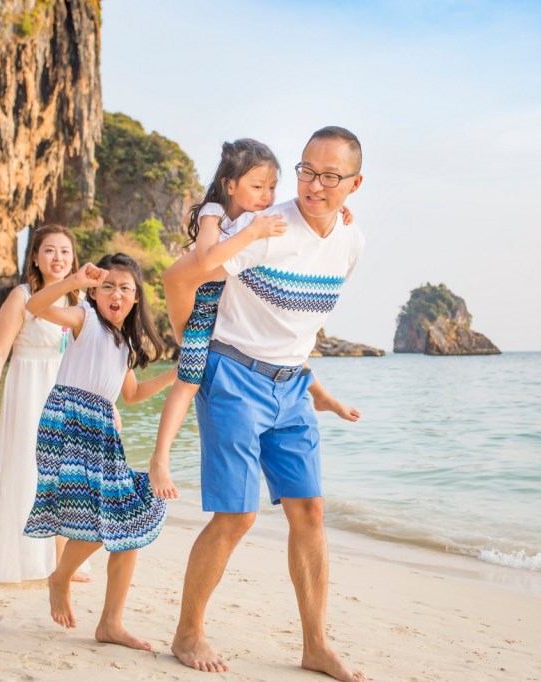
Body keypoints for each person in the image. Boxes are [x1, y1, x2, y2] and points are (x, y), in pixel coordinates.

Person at [161, 126, 367, 681]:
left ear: (354, 184)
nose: (314, 186)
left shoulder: (351, 241)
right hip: (234, 375)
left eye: (329, 177)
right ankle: (187, 632)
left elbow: (308, 320)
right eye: (306, 171)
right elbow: (184, 275)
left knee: (311, 511)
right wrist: (192, 347)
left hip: (293, 386)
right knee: (237, 515)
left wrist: (314, 386)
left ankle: (316, 645)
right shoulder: (265, 228)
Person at [151, 139, 359, 489]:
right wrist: (182, 332)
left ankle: (318, 393)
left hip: (238, 309)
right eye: (258, 187)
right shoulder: (214, 214)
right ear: (230, 186)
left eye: (273, 187)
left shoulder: (258, 217)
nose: (267, 196)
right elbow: (204, 262)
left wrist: (339, 213)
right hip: (206, 309)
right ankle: (159, 459)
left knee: (283, 336)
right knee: (187, 382)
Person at [22, 254, 176, 651]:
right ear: (95, 291)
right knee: (106, 517)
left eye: (125, 288)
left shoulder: (125, 343)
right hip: (69, 423)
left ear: (137, 298)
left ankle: (110, 622)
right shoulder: (83, 318)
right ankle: (61, 578)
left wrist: (177, 374)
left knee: (130, 520)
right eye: (108, 285)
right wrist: (74, 280)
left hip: (102, 430)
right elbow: (35, 306)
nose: (116, 294)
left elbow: (132, 394)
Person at [0, 224, 90, 583]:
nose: (58, 258)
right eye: (50, 251)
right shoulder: (20, 296)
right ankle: (22, 558)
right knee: (28, 470)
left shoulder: (78, 301)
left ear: (74, 259)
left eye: (66, 252)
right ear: (36, 258)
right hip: (28, 390)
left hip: (66, 393)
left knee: (67, 476)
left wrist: (108, 405)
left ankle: (63, 563)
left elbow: (88, 360)